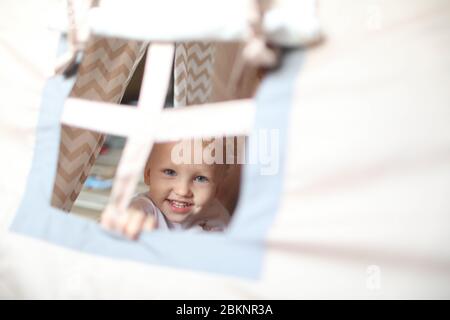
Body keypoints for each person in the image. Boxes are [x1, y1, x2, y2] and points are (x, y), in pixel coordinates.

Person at [103, 139, 231, 239]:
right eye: (170, 172)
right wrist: (126, 220)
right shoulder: (145, 209)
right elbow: (130, 214)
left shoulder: (218, 213)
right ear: (148, 174)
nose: (182, 191)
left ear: (217, 187)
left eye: (200, 179)